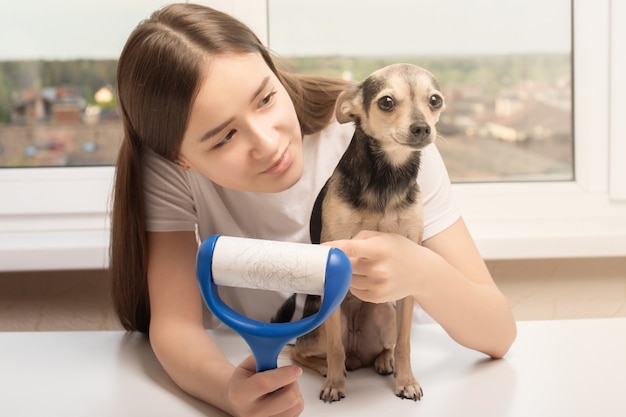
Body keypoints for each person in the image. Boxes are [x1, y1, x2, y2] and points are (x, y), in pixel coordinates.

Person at [110, 3, 517, 416]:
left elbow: (498, 333)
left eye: (266, 98)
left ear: (272, 67)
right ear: (179, 158)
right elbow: (174, 325)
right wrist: (227, 391)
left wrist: (421, 271)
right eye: (225, 137)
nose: (268, 143)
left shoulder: (388, 131)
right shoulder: (169, 174)